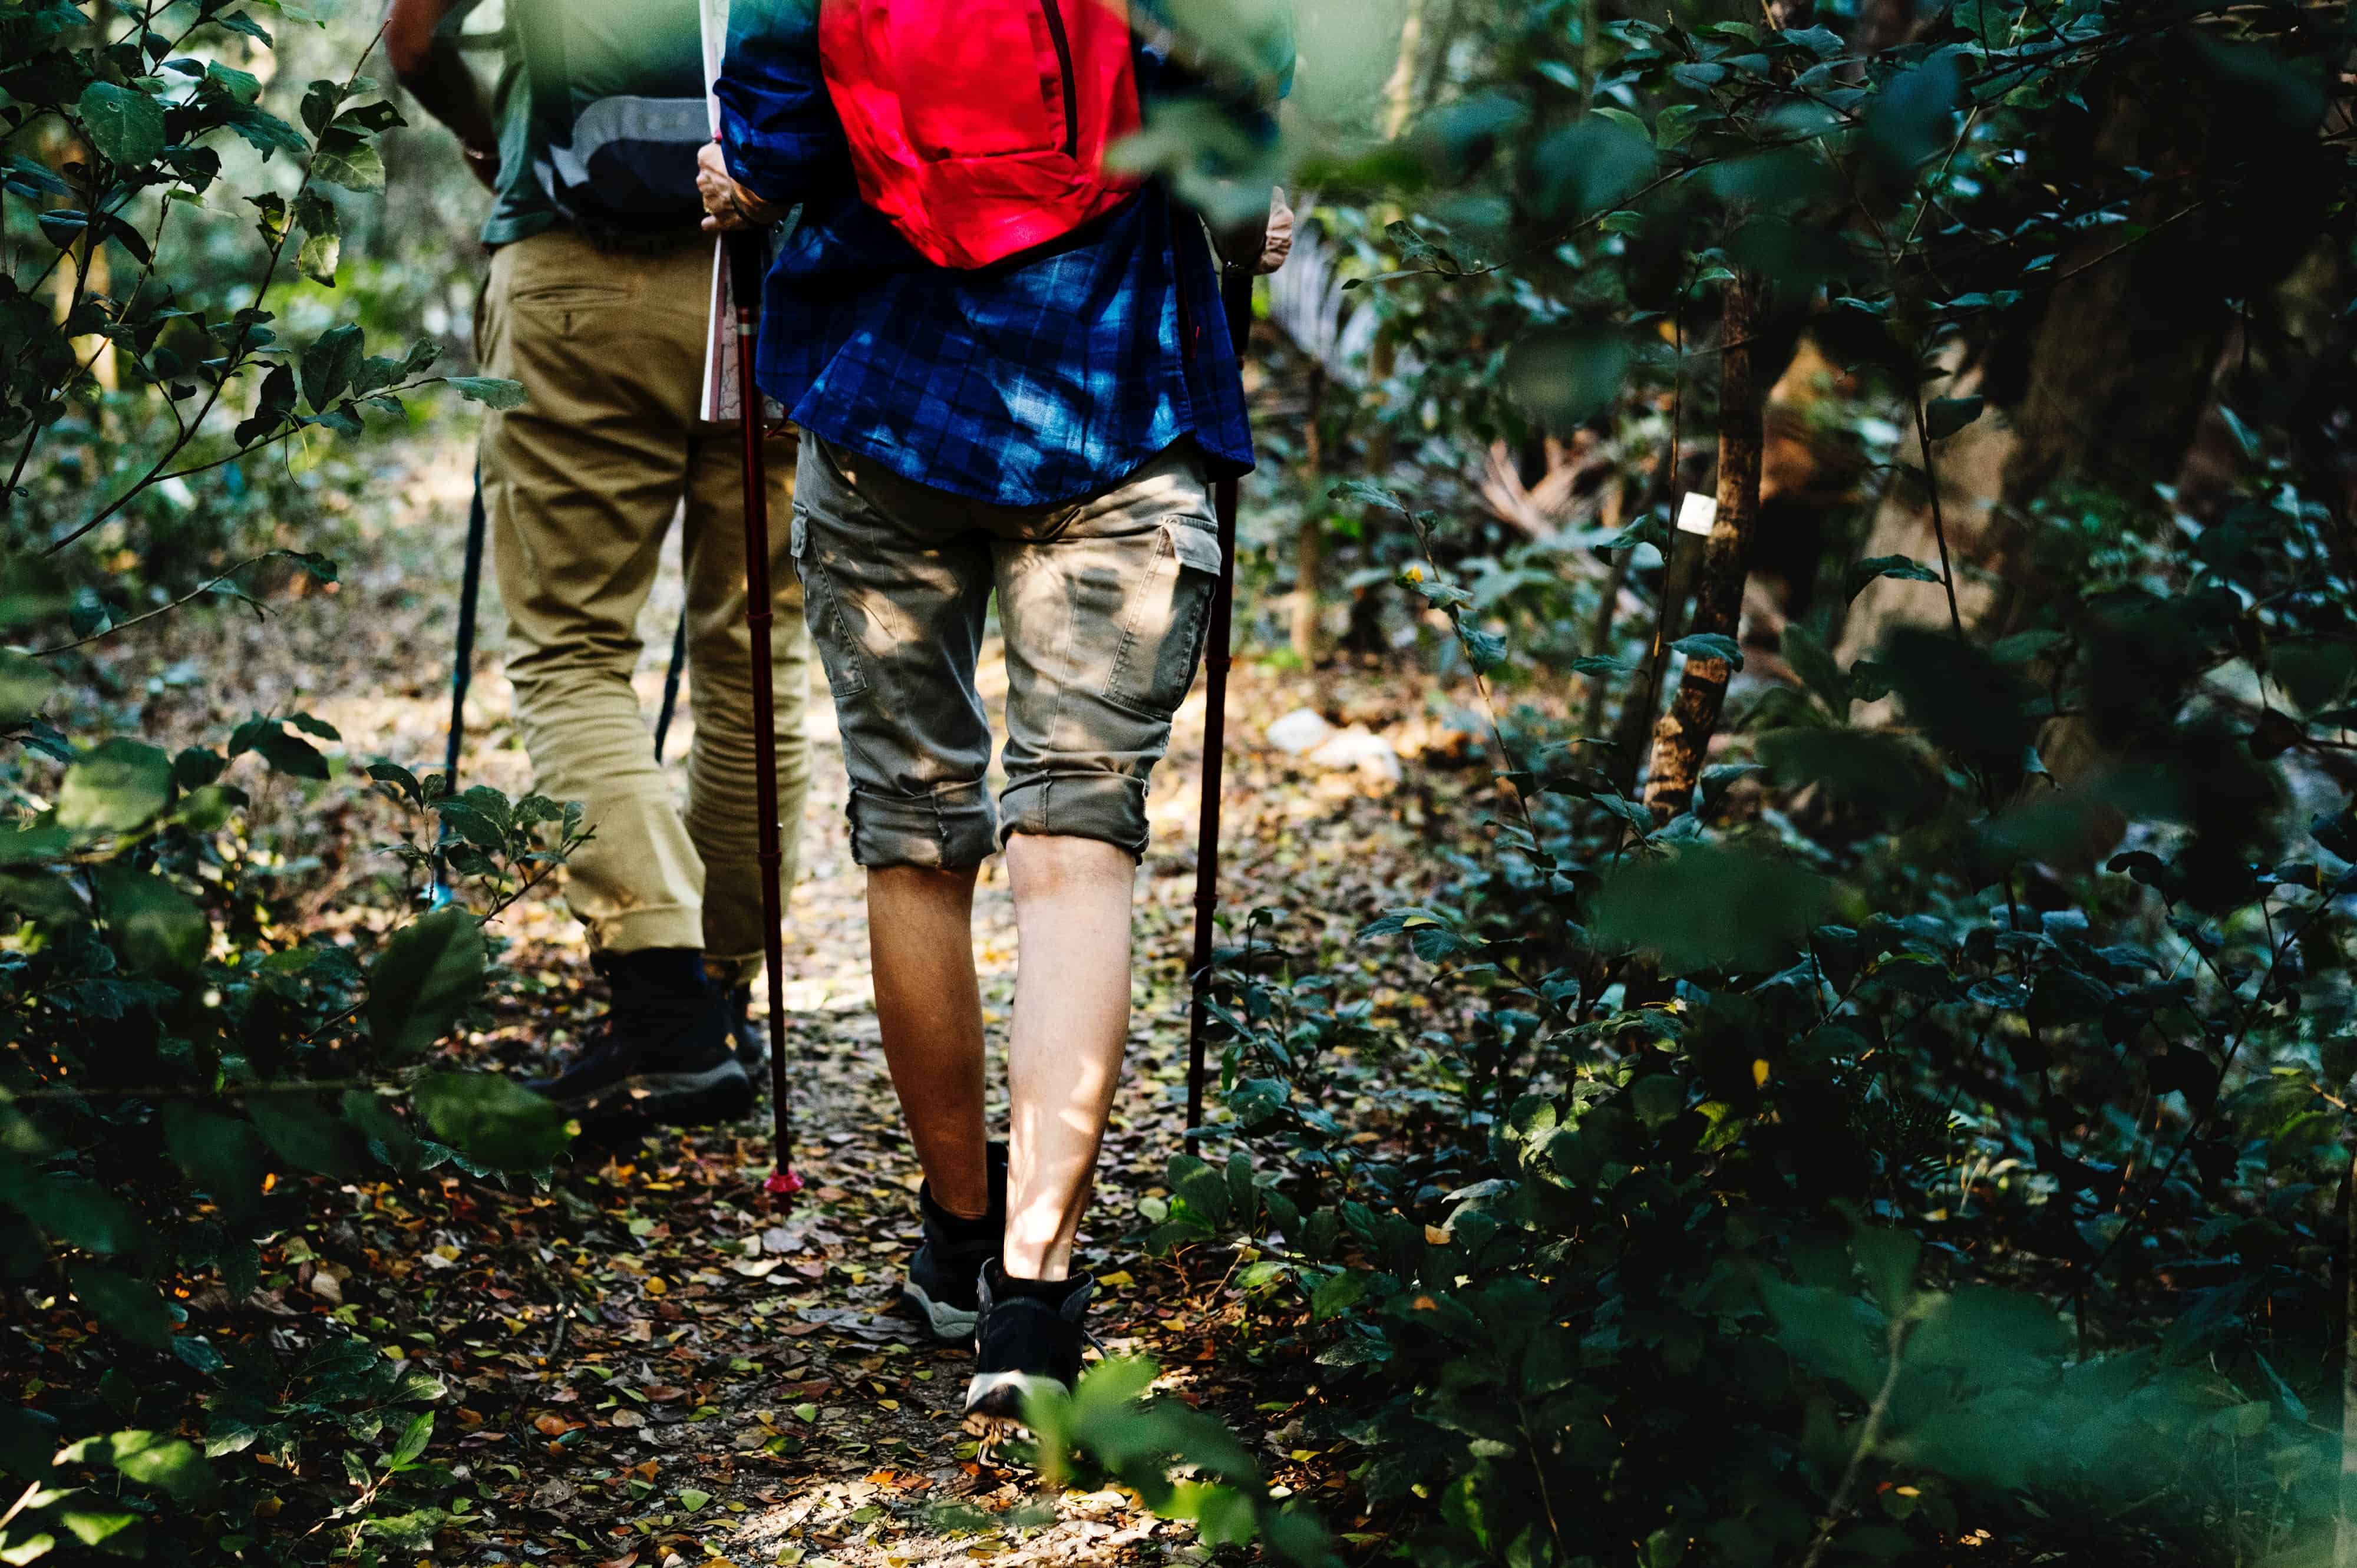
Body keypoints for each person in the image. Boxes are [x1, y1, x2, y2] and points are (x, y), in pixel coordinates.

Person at [704, 0, 1288, 1421]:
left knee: (912, 833)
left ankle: (956, 1239)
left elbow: (768, 148)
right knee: (1074, 847)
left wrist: (736, 183)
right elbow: (1235, 124)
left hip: (885, 403)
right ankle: (1031, 1296)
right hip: (1121, 401)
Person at [387, 0, 813, 1126]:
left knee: (571, 651)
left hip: (581, 268)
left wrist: (489, 141)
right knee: (757, 650)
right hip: (779, 278)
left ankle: (666, 1013)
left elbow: (414, 35)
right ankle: (715, 999)